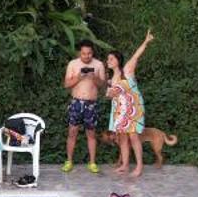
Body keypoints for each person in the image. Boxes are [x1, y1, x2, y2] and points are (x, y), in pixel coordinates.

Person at [106, 29, 154, 178]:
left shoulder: (127, 70)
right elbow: (111, 96)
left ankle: (139, 166)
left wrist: (146, 42)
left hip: (133, 108)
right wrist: (109, 93)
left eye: (111, 59)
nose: (108, 61)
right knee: (123, 138)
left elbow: (136, 55)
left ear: (118, 61)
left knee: (133, 136)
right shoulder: (111, 79)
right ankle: (125, 165)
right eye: (107, 59)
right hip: (120, 110)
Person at [61, 39, 106, 174]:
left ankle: (92, 162)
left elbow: (102, 85)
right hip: (76, 102)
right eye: (84, 53)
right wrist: (79, 77)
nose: (87, 56)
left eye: (89, 53)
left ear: (93, 52)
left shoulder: (98, 65)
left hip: (91, 103)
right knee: (72, 133)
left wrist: (94, 78)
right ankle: (69, 161)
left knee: (91, 134)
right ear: (79, 53)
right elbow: (66, 84)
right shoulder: (73, 64)